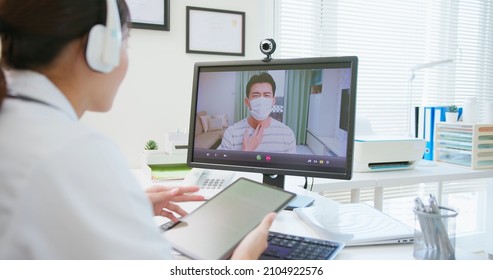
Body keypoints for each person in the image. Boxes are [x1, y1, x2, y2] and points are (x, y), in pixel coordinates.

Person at [0, 0, 275, 259]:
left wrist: (117, 209)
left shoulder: (20, 121)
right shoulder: (74, 151)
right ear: (100, 49)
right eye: (125, 44)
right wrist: (243, 258)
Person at [218, 72, 296, 153]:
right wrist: (247, 151)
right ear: (247, 102)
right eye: (256, 95)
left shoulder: (287, 134)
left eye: (266, 95)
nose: (261, 101)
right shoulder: (231, 134)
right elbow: (225, 166)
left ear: (273, 101)